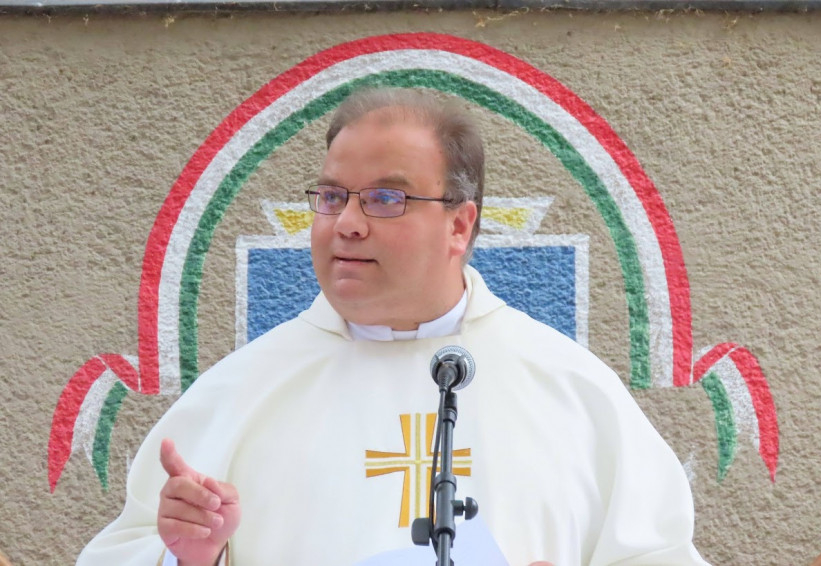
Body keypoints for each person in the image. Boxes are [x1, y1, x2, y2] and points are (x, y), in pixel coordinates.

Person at [77, 88, 709, 566]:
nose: (347, 224)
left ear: (459, 225)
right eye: (332, 197)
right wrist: (191, 558)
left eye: (385, 199)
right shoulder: (240, 394)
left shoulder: (571, 392)